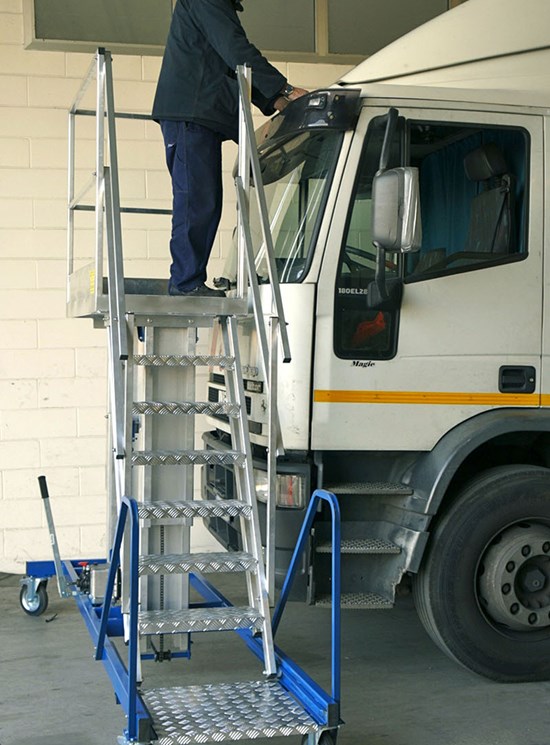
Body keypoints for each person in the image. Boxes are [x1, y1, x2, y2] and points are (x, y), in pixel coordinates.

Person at [152, 0, 308, 297]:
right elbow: (236, 50)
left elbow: (231, 63)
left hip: (200, 112)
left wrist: (274, 101)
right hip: (191, 112)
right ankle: (185, 283)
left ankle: (188, 280)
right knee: (196, 199)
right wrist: (283, 90)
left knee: (205, 200)